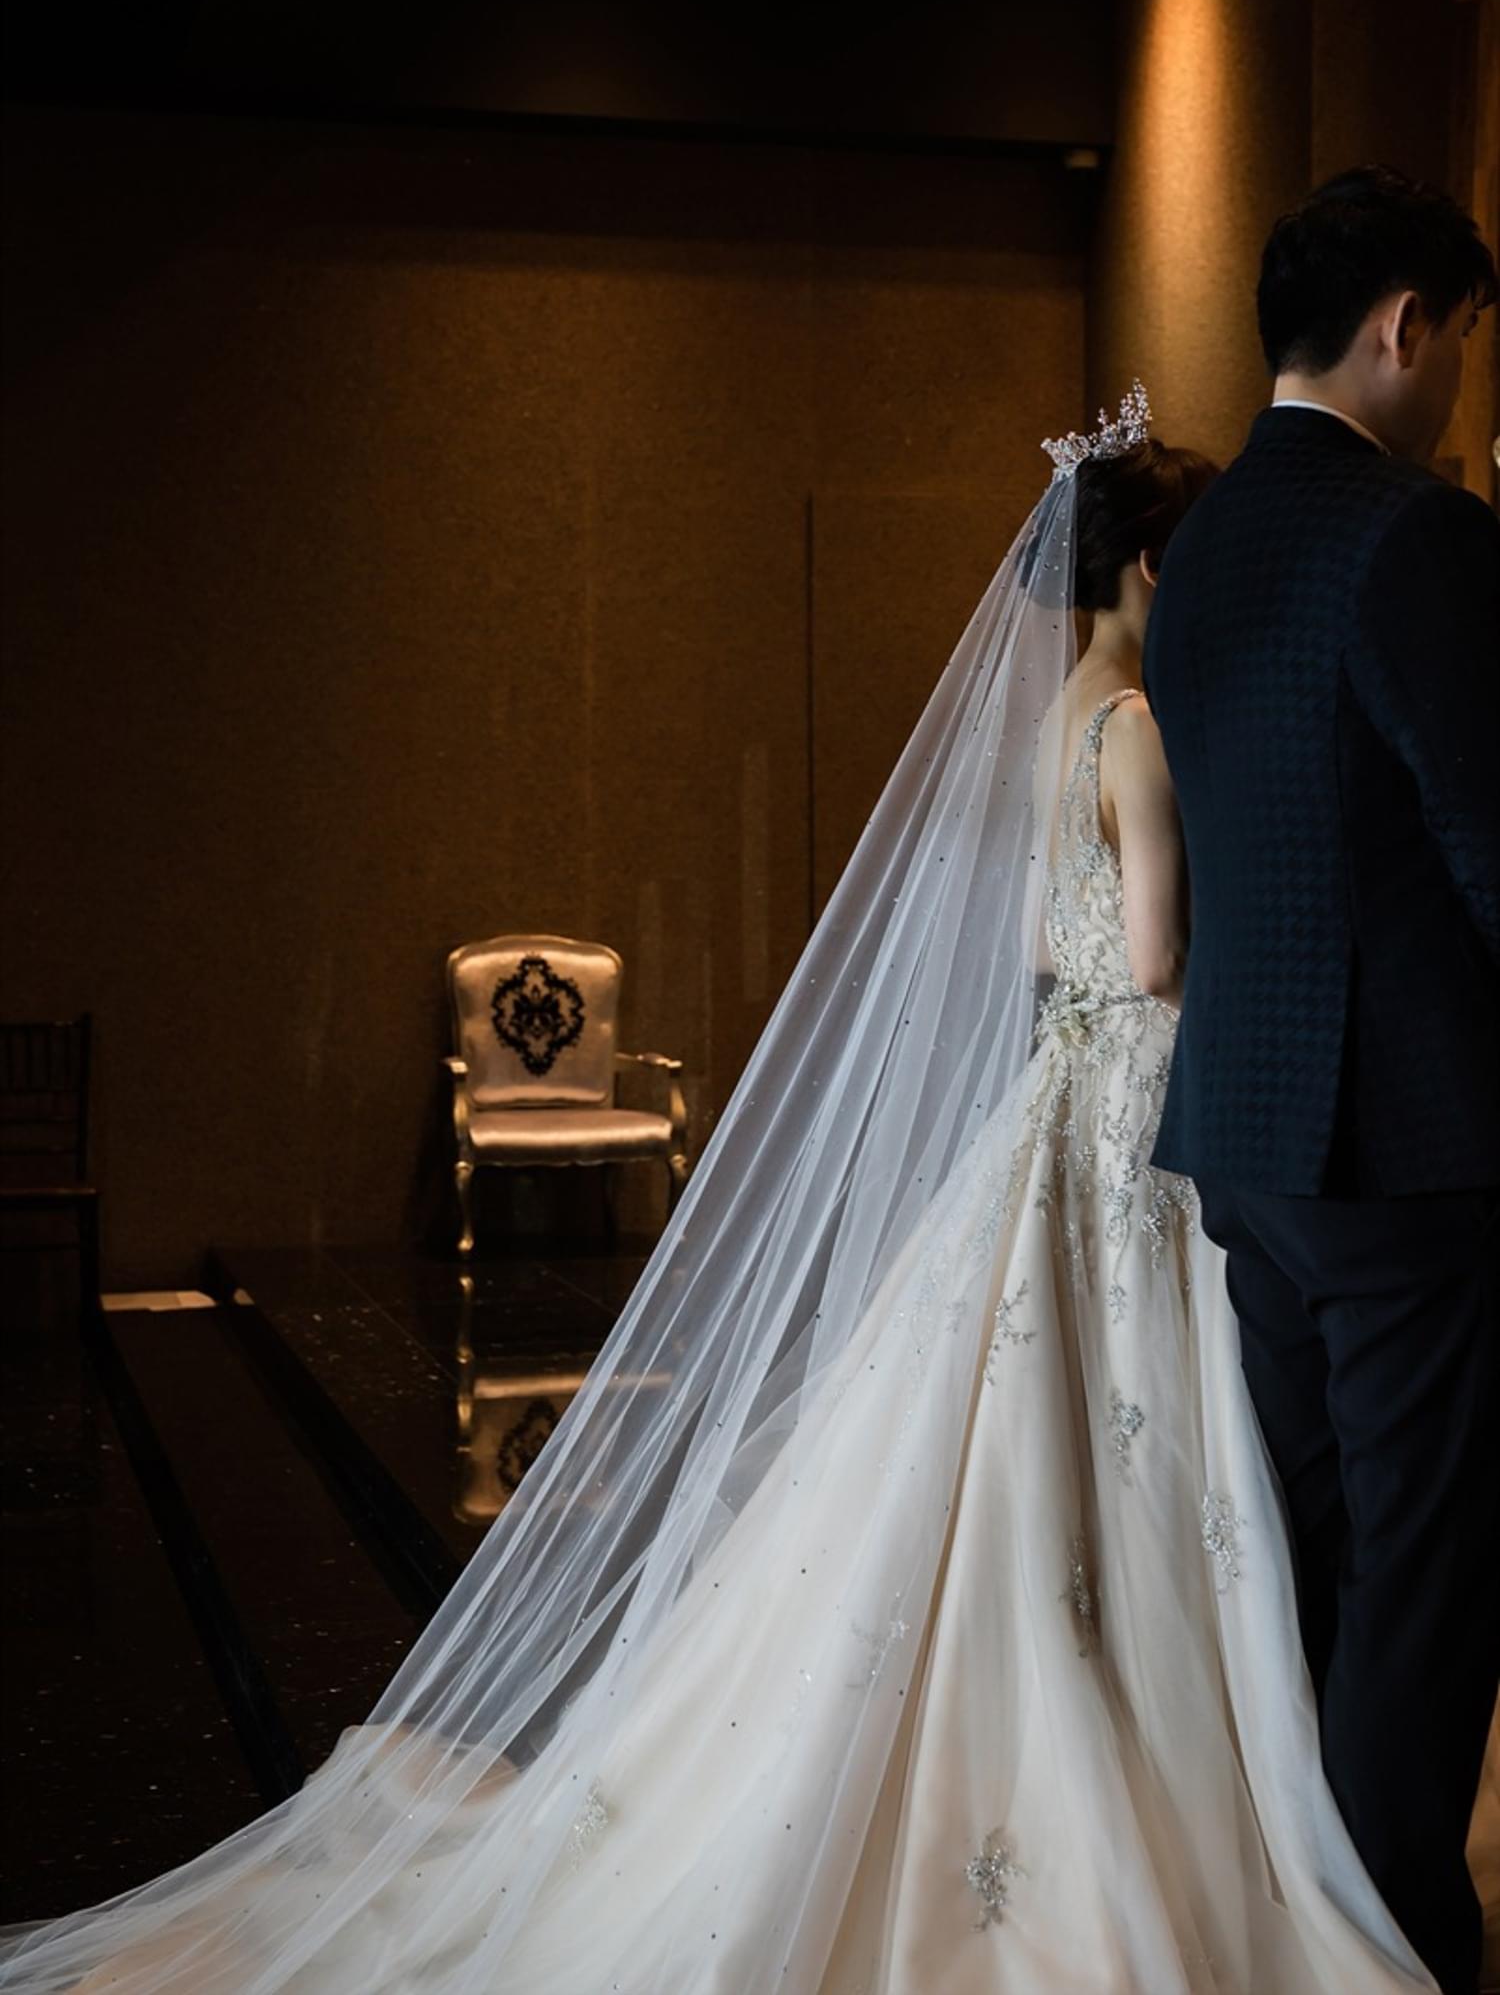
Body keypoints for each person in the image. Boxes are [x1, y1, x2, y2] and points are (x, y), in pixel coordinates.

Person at [0, 398, 1459, 1995]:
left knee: (1028, 1428)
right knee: (1140, 1427)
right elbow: (1161, 951)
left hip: (1055, 1090)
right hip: (1135, 1096)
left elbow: (1046, 943)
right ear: (1159, 569)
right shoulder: (1143, 728)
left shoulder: (1055, 723)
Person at [1144, 166, 1500, 1995]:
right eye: (1465, 339)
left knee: (1312, 1563)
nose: (1460, 381)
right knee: (1423, 1588)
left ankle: (1302, 1923)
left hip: (1255, 1137)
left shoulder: (1203, 547)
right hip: (1414, 1147)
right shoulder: (1416, 533)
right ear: (1404, 326)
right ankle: (1401, 1953)